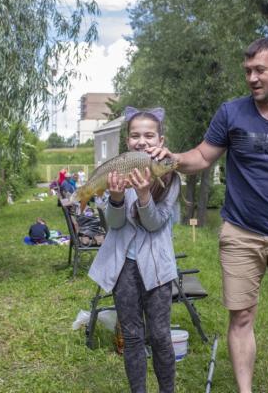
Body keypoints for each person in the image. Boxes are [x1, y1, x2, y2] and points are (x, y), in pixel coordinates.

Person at [149, 38, 268, 393]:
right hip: (240, 233)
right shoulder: (231, 113)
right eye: (247, 71)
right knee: (241, 316)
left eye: (260, 70)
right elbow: (203, 157)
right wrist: (171, 158)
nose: (252, 78)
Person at [88, 106, 180, 393]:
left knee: (161, 335)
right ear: (127, 141)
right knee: (132, 336)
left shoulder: (170, 177)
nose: (142, 141)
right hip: (123, 269)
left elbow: (153, 224)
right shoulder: (121, 170)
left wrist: (143, 195)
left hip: (157, 270)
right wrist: (116, 198)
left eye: (149, 135)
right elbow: (114, 225)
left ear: (160, 141)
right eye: (135, 135)